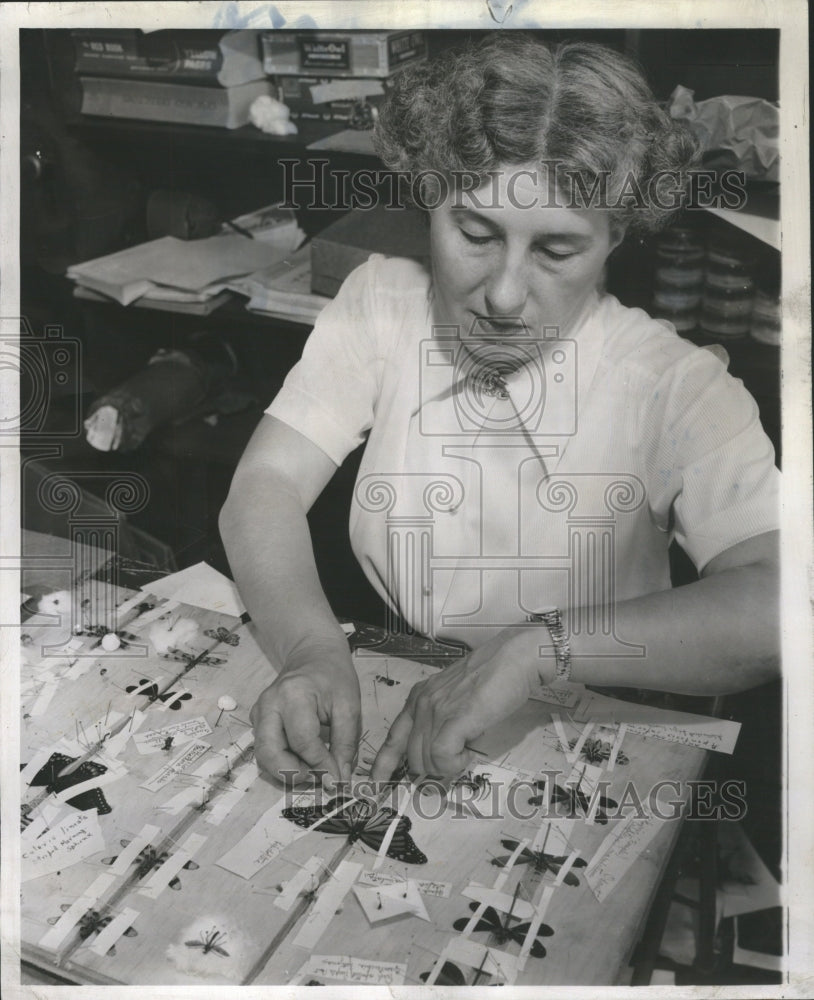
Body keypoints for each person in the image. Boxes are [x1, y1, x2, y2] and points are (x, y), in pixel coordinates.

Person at [219, 36, 779, 790]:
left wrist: (536, 648)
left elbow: (777, 606)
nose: (506, 296)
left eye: (557, 251)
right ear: (429, 200)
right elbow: (265, 486)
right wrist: (310, 650)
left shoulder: (677, 387)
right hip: (398, 682)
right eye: (475, 234)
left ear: (618, 233)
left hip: (583, 729)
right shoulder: (382, 305)